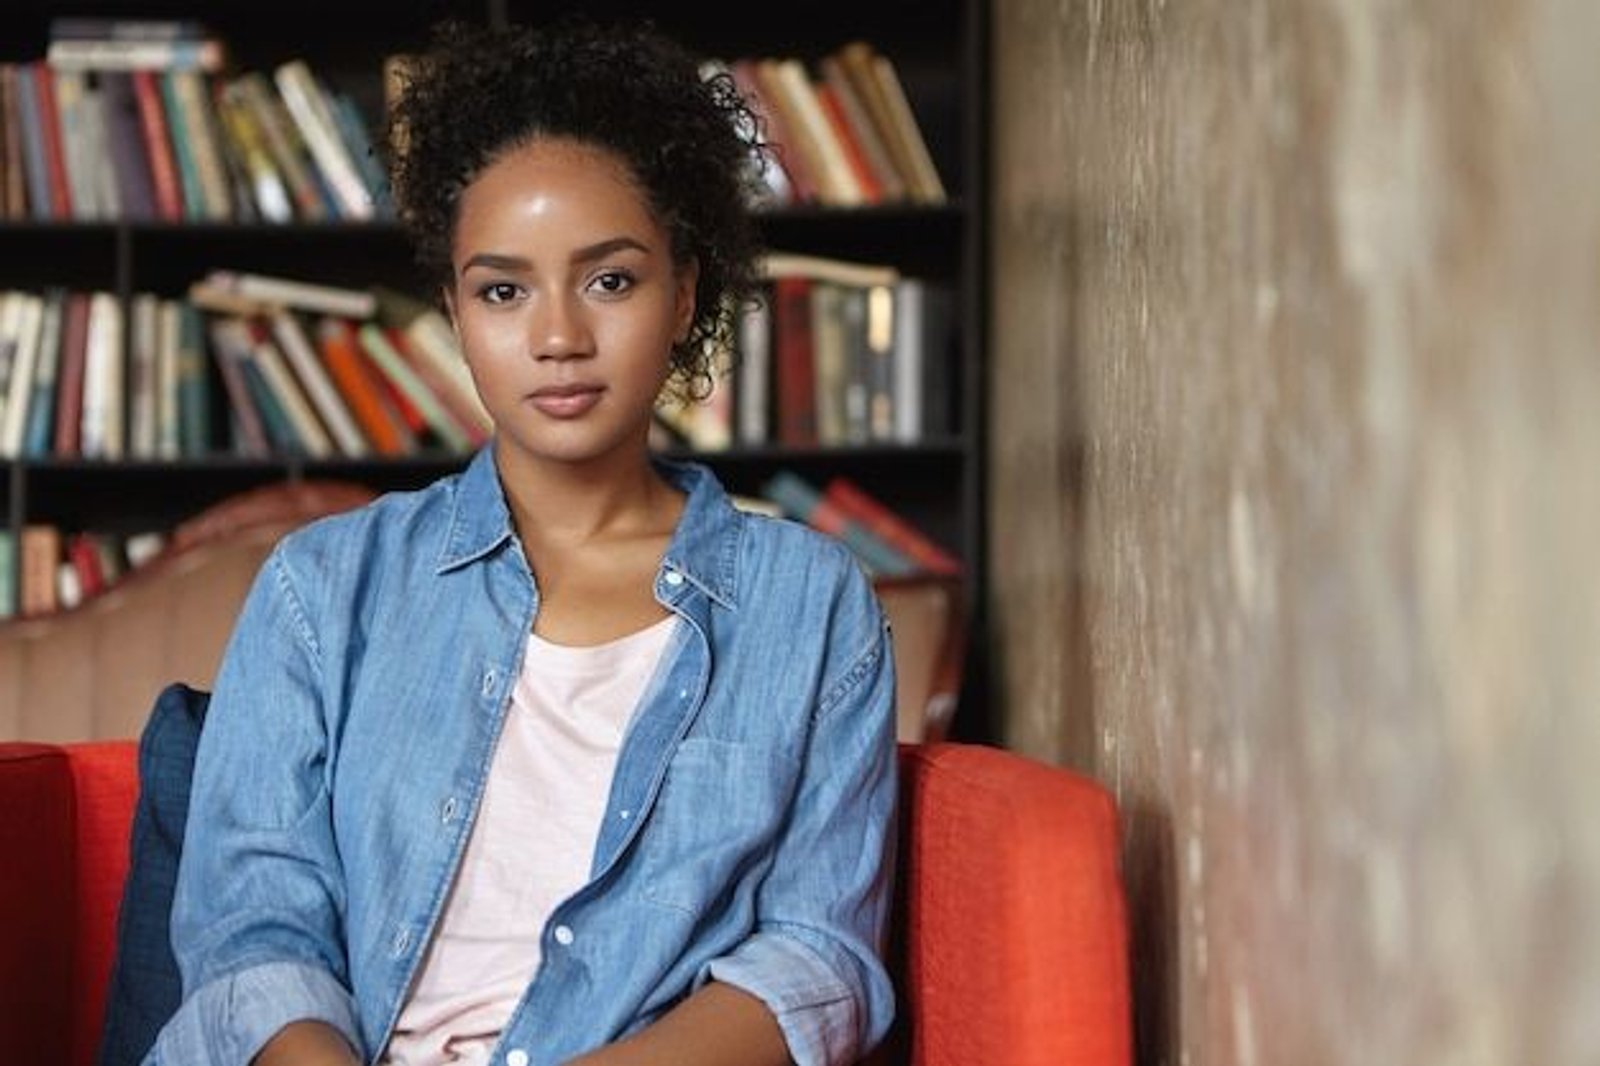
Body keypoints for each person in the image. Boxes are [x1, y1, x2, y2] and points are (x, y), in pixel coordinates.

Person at [142, 16, 899, 1066]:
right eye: (503, 290)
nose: (556, 337)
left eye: (610, 280)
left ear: (684, 293)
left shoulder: (806, 602)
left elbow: (816, 962)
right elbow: (252, 940)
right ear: (455, 313)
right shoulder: (322, 587)